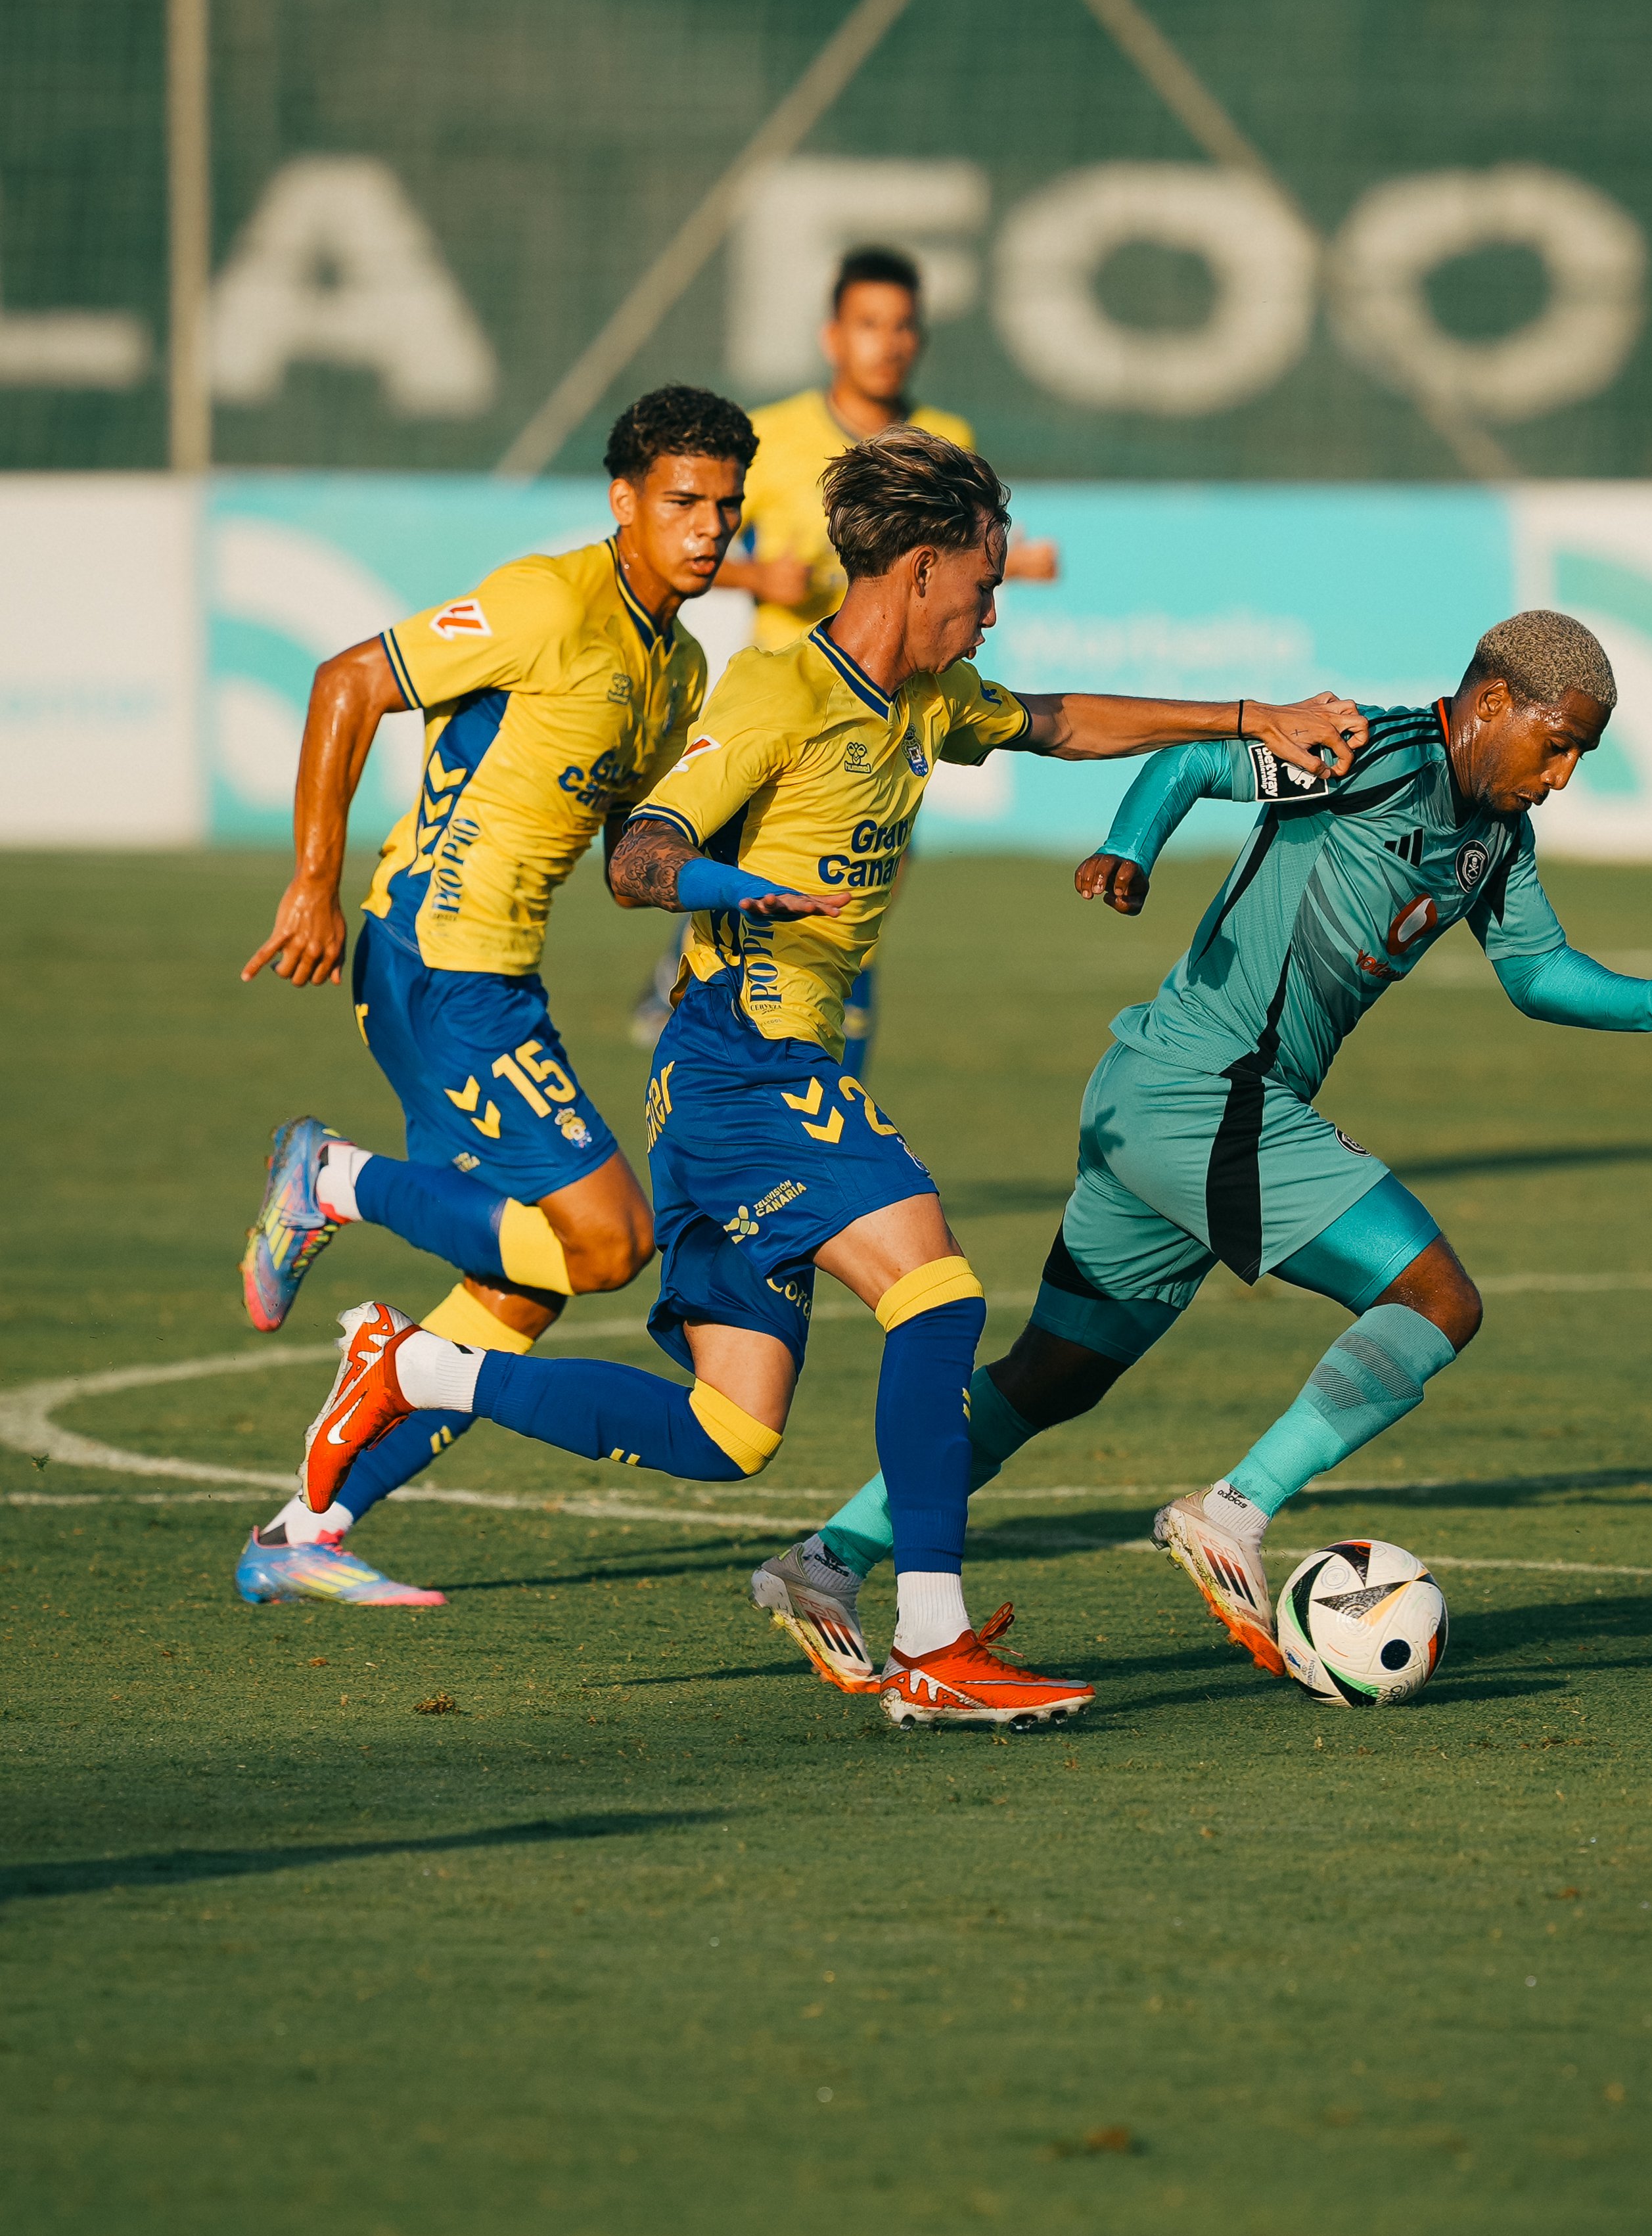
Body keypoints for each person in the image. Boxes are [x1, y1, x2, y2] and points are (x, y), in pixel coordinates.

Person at [294, 428, 1369, 1723]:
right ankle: (933, 1637)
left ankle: (419, 1372)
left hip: (745, 1087)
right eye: (981, 581)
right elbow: (635, 857)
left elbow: (1058, 720)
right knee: (937, 1288)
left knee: (728, 1431)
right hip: (744, 1068)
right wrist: (733, 882)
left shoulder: (919, 698)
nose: (992, 604)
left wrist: (1257, 719)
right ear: (916, 572)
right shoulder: (770, 693)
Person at [754, 610, 1652, 1685]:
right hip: (1207, 1095)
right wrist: (1129, 845)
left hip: (1153, 1103)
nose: (1564, 774)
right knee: (1436, 1300)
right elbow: (1200, 763)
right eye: (1557, 743)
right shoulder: (1372, 754)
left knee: (1049, 1378)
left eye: (1580, 753)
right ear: (1490, 705)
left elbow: (1534, 972)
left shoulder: (1498, 838)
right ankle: (1231, 1511)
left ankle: (825, 1559)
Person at [233, 384, 758, 1607]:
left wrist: (731, 902)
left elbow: (632, 866)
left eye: (725, 507)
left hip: (491, 980)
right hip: (436, 966)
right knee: (610, 1241)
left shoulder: (673, 667)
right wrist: (312, 882)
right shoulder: (545, 600)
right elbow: (346, 680)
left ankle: (304, 1527)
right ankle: (329, 1179)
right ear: (624, 502)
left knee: (519, 1286)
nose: (708, 530)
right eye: (683, 502)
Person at [629, 243, 1058, 1070]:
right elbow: (682, 546)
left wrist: (1019, 565)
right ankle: (696, 1004)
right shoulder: (775, 435)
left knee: (854, 914)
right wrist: (756, 572)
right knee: (751, 909)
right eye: (868, 324)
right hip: (788, 708)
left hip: (888, 710)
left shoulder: (947, 439)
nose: (887, 342)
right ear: (833, 336)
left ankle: (821, 1091)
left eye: (902, 327)